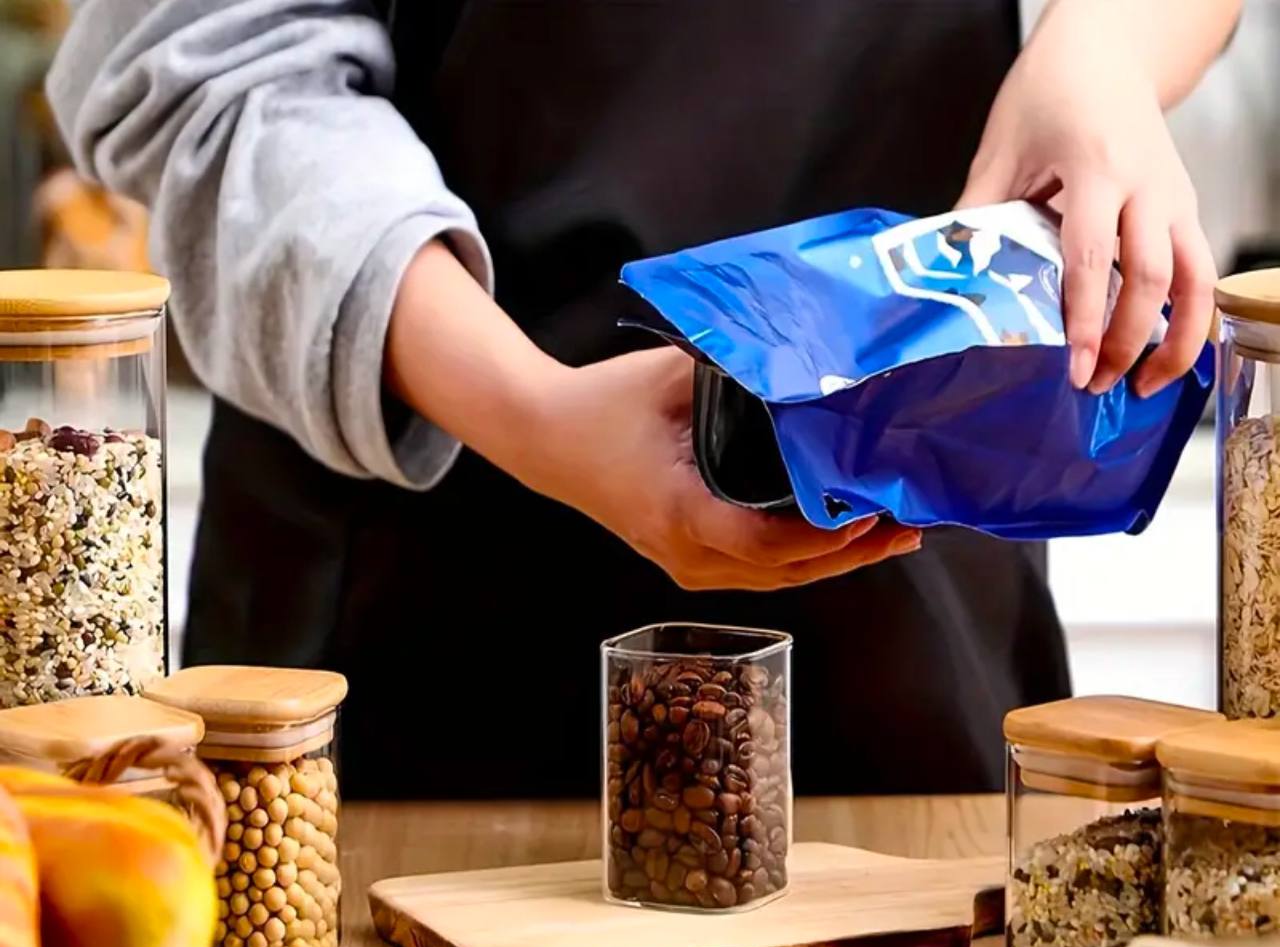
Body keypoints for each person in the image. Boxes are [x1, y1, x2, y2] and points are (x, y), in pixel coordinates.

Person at [47, 0, 1238, 799]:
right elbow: (208, 79)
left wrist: (1098, 58)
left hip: (914, 649)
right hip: (419, 652)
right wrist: (530, 412)